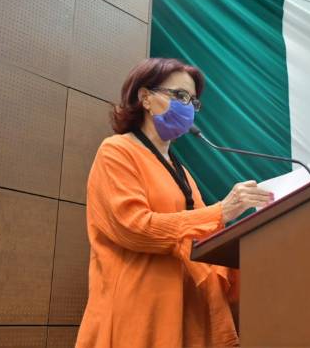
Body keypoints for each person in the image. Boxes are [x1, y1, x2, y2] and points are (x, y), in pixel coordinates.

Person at [75, 58, 274, 348]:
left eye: (193, 101)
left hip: (185, 312)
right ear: (145, 97)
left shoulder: (181, 172)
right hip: (138, 312)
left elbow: (205, 237)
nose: (187, 107)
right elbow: (134, 228)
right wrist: (221, 211)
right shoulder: (116, 152)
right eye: (180, 95)